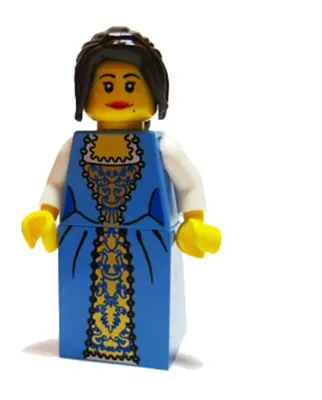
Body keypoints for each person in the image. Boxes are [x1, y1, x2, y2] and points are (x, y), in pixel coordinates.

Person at [22, 26, 221, 370]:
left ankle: (148, 348)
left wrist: (193, 222)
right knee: (79, 297)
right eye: (105, 85)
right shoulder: (75, 147)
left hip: (148, 244)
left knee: (150, 298)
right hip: (81, 240)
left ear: (155, 92)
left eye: (131, 85)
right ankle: (87, 345)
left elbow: (189, 185)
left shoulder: (163, 148)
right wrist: (45, 213)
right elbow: (55, 183)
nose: (117, 94)